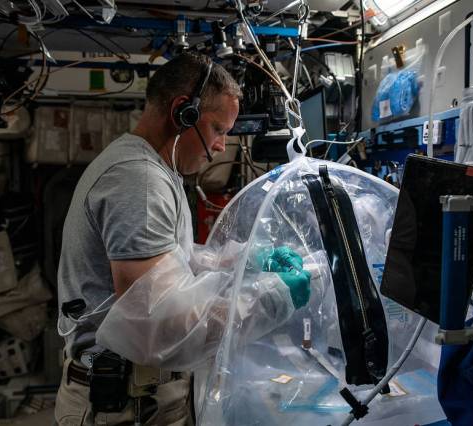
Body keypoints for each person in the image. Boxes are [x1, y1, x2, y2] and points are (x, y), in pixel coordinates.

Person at [55, 52, 311, 426]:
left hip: (141, 398)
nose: (223, 145)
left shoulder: (153, 171)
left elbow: (172, 263)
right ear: (182, 113)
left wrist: (244, 260)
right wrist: (272, 299)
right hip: (128, 407)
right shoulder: (139, 181)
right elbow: (161, 324)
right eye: (218, 130)